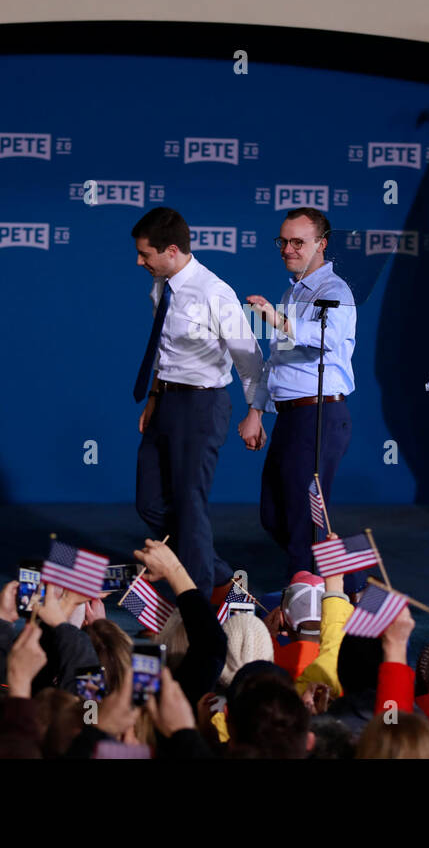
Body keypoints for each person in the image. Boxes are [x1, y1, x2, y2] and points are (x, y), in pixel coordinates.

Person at [131, 206, 263, 595]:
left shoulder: (215, 292)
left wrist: (255, 412)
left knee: (190, 507)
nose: (139, 261)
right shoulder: (162, 284)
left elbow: (251, 358)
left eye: (145, 254)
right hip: (166, 402)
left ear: (171, 250)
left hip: (203, 407)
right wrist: (154, 396)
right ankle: (220, 576)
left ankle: (200, 606)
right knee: (150, 503)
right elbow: (164, 348)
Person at [240, 208, 357, 586]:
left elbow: (326, 337)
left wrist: (277, 320)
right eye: (283, 241)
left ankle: (308, 611)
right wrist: (256, 411)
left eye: (298, 242)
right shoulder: (293, 290)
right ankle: (345, 582)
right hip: (291, 417)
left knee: (302, 522)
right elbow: (278, 360)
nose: (287, 249)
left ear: (321, 245)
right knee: (274, 515)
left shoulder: (334, 291)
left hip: (320, 417)